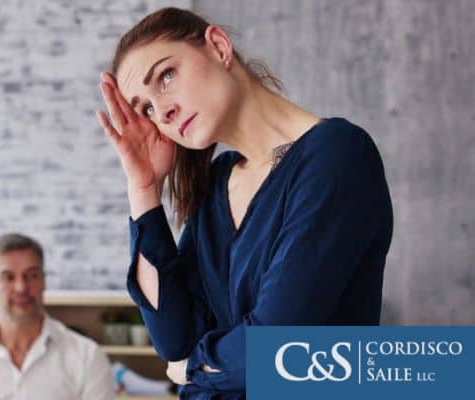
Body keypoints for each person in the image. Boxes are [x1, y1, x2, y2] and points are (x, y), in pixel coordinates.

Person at [95, 7, 393, 399]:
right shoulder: (217, 183)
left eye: (166, 76)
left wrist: (193, 369)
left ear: (218, 47)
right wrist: (143, 188)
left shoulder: (337, 156)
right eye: (146, 109)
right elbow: (174, 339)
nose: (161, 112)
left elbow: (276, 346)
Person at [0, 233, 116, 400]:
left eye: (31, 275)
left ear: (44, 280)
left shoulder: (87, 358)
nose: (21, 287)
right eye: (8, 277)